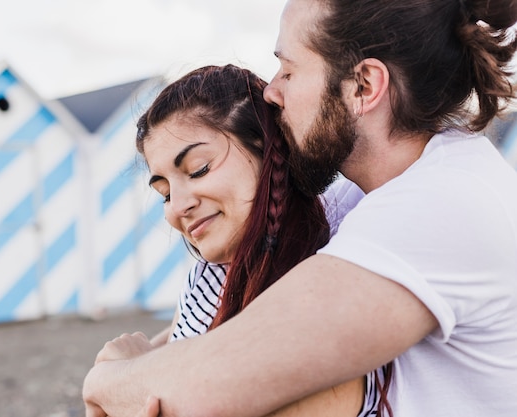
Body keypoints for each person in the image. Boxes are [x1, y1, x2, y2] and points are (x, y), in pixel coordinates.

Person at [83, 0, 517, 415]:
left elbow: (212, 384)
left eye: (288, 71)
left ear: (363, 86)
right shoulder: (363, 195)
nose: (271, 92)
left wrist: (104, 381)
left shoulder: (439, 205)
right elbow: (218, 327)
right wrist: (153, 360)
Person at [94, 64, 377, 416]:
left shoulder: (330, 283)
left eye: (198, 169)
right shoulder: (210, 276)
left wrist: (121, 377)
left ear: (267, 149)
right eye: (165, 193)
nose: (178, 207)